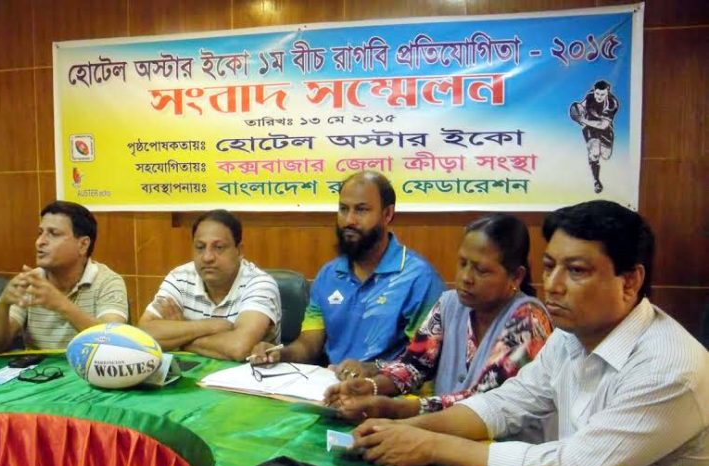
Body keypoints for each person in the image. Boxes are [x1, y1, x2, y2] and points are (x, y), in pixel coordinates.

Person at [352, 200, 709, 466]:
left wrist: (431, 445)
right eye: (550, 266)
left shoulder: (670, 369)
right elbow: (504, 404)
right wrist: (412, 428)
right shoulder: (571, 338)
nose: (553, 285)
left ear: (630, 281)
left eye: (577, 271)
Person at [324, 214, 553, 422]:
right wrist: (370, 386)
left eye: (481, 270)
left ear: (516, 276)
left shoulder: (528, 320)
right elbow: (414, 365)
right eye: (463, 263)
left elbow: (485, 403)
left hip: (505, 450)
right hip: (448, 434)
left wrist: (397, 409)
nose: (465, 278)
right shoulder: (449, 303)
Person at [250, 171, 444, 366]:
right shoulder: (329, 274)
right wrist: (278, 353)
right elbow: (310, 344)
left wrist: (370, 371)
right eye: (343, 209)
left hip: (390, 391)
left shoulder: (418, 277)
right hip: (331, 385)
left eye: (361, 210)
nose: (349, 220)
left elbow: (424, 358)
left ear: (387, 214)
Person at [0, 201, 128, 353]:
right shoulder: (32, 281)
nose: (39, 242)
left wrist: (60, 304)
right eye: (40, 233)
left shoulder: (108, 282)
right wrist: (3, 304)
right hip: (37, 372)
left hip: (87, 372)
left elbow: (113, 343)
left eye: (53, 234)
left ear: (83, 245)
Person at [138, 209, 281, 361]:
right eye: (200, 247)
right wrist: (212, 325)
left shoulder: (260, 284)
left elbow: (239, 348)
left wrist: (179, 337)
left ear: (239, 251)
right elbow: (142, 335)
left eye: (218, 247)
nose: (207, 257)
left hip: (250, 380)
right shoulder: (180, 277)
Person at [570, 80, 620, 194]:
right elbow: (580, 107)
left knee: (606, 155)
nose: (599, 96)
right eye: (597, 93)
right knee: (594, 153)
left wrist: (583, 120)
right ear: (594, 90)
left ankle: (602, 151)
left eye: (602, 94)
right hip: (590, 130)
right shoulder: (590, 96)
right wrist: (578, 116)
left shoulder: (612, 104)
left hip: (605, 132)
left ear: (607, 92)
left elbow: (603, 125)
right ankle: (597, 181)